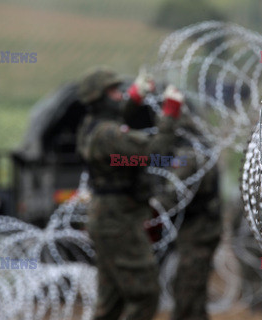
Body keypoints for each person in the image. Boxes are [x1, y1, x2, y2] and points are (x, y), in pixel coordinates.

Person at [76, 67, 184, 320]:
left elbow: (116, 116)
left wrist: (136, 97)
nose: (119, 95)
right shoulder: (110, 135)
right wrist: (170, 113)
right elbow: (157, 152)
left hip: (109, 217)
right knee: (145, 294)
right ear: (99, 98)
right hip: (120, 221)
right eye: (113, 91)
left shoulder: (92, 127)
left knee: (111, 300)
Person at [156, 116, 222, 320]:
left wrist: (148, 206)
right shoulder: (201, 150)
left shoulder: (188, 156)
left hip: (198, 230)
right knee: (194, 289)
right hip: (201, 229)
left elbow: (174, 195)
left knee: (187, 288)